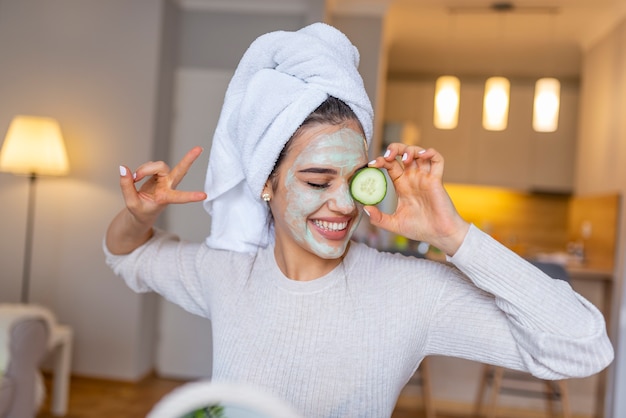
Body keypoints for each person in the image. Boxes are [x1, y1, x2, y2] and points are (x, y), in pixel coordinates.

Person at [104, 23, 613, 418]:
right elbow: (126, 256)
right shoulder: (228, 274)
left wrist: (454, 236)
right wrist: (137, 215)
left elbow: (582, 349)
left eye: (355, 180)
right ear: (267, 183)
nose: (344, 205)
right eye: (317, 180)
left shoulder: (408, 292)